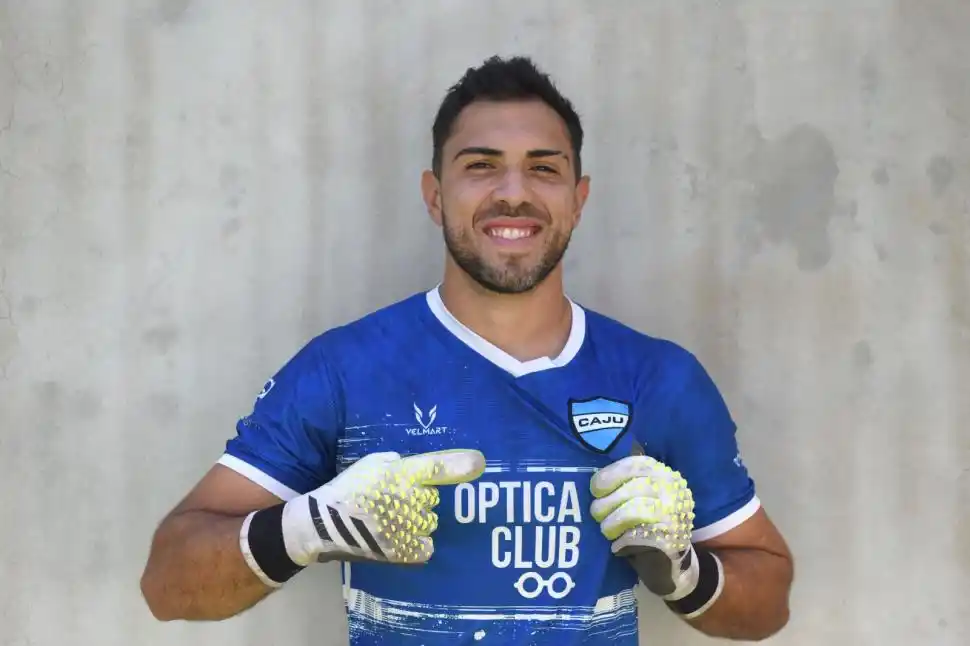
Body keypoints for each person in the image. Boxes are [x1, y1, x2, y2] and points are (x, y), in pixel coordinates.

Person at [140, 55, 794, 645]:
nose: (513, 192)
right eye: (481, 166)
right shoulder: (345, 370)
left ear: (579, 199)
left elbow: (767, 602)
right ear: (434, 195)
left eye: (544, 168)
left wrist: (689, 576)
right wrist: (303, 529)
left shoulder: (658, 378)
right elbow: (168, 585)